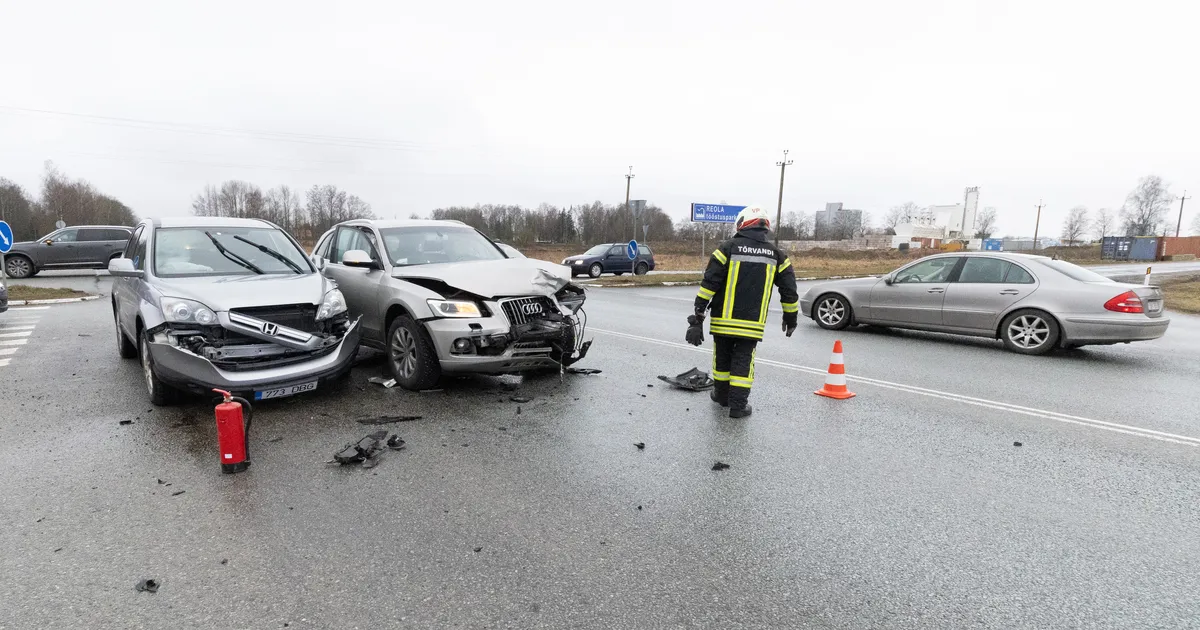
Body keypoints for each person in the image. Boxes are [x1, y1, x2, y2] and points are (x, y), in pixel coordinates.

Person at [685, 206, 799, 418]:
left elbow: (709, 284)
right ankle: (738, 406)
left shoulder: (726, 248)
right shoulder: (777, 255)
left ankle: (721, 397)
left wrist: (698, 317)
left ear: (742, 224)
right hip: (752, 323)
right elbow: (789, 291)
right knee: (743, 362)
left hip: (722, 320)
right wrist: (790, 318)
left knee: (722, 359)